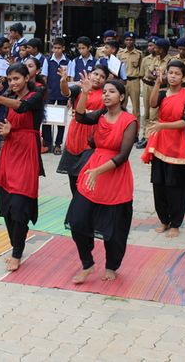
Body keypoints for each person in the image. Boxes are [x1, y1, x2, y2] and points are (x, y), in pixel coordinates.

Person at [65, 78, 138, 283]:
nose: (106, 95)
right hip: (92, 172)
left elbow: (123, 155)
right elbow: (80, 117)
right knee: (77, 220)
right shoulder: (100, 115)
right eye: (104, 91)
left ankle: (111, 265)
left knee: (114, 229)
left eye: (111, 91)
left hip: (114, 175)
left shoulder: (130, 121)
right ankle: (87, 263)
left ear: (121, 97)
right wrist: (85, 93)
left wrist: (98, 171)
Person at [0, 63, 45, 272]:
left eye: (16, 78)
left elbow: (21, 106)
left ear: (26, 78)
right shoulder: (9, 97)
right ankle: (16, 243)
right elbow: (10, 113)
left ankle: (17, 252)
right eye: (9, 79)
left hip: (26, 152)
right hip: (9, 151)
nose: (13, 82)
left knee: (19, 206)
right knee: (6, 204)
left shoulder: (36, 95)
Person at [141, 60, 185, 238]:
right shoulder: (163, 94)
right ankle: (164, 219)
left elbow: (184, 122)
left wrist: (162, 126)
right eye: (170, 73)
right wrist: (157, 83)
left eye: (177, 73)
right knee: (159, 183)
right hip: (160, 143)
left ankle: (175, 223)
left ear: (183, 77)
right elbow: (152, 104)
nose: (173, 76)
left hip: (178, 144)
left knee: (176, 185)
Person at [58, 65, 108, 195]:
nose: (98, 78)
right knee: (73, 177)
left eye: (102, 77)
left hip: (93, 136)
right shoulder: (79, 88)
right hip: (75, 134)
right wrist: (63, 81)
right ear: (90, 74)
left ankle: (85, 201)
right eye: (96, 74)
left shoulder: (106, 94)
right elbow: (66, 92)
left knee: (86, 174)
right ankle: (75, 201)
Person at [137, 38, 171, 148]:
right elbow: (148, 73)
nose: (154, 49)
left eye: (156, 48)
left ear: (162, 49)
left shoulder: (170, 61)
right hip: (151, 87)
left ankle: (151, 138)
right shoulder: (156, 59)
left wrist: (157, 76)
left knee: (155, 114)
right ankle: (146, 136)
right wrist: (158, 76)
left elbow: (166, 79)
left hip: (162, 90)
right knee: (147, 113)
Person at [42, 38, 69, 156]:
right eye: (54, 48)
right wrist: (44, 93)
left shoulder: (68, 61)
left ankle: (58, 144)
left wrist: (69, 97)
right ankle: (47, 143)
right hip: (50, 93)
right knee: (46, 119)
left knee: (61, 120)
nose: (56, 50)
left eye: (59, 48)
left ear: (63, 48)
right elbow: (44, 78)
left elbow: (69, 79)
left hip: (63, 94)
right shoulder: (48, 60)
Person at [117, 31, 142, 122]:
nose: (129, 42)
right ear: (124, 41)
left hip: (134, 81)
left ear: (134, 41)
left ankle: (136, 127)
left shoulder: (139, 54)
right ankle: (122, 124)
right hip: (123, 82)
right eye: (127, 40)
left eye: (131, 40)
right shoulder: (120, 53)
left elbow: (141, 68)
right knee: (122, 105)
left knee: (136, 106)